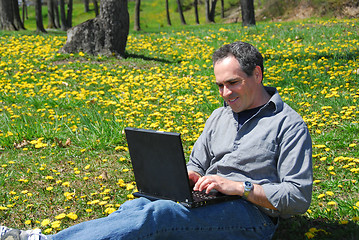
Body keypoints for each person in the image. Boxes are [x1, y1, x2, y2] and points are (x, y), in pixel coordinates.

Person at [0, 41, 313, 240]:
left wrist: (238, 187)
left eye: (233, 83)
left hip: (252, 217)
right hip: (209, 200)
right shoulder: (220, 117)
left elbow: (298, 198)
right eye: (219, 85)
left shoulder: (288, 125)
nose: (225, 94)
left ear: (257, 74)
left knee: (158, 217)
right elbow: (197, 163)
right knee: (135, 207)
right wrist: (187, 176)